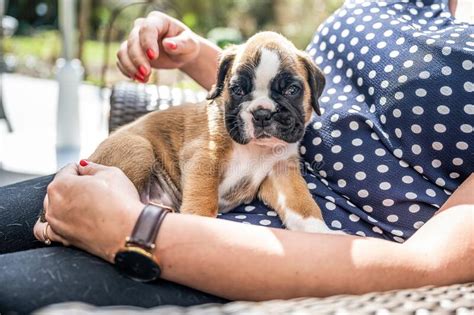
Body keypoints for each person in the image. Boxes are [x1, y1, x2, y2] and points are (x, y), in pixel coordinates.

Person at [1, 0, 472, 314]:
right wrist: (197, 54)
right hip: (183, 187)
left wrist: (139, 228)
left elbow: (428, 265)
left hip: (245, 252)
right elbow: (265, 91)